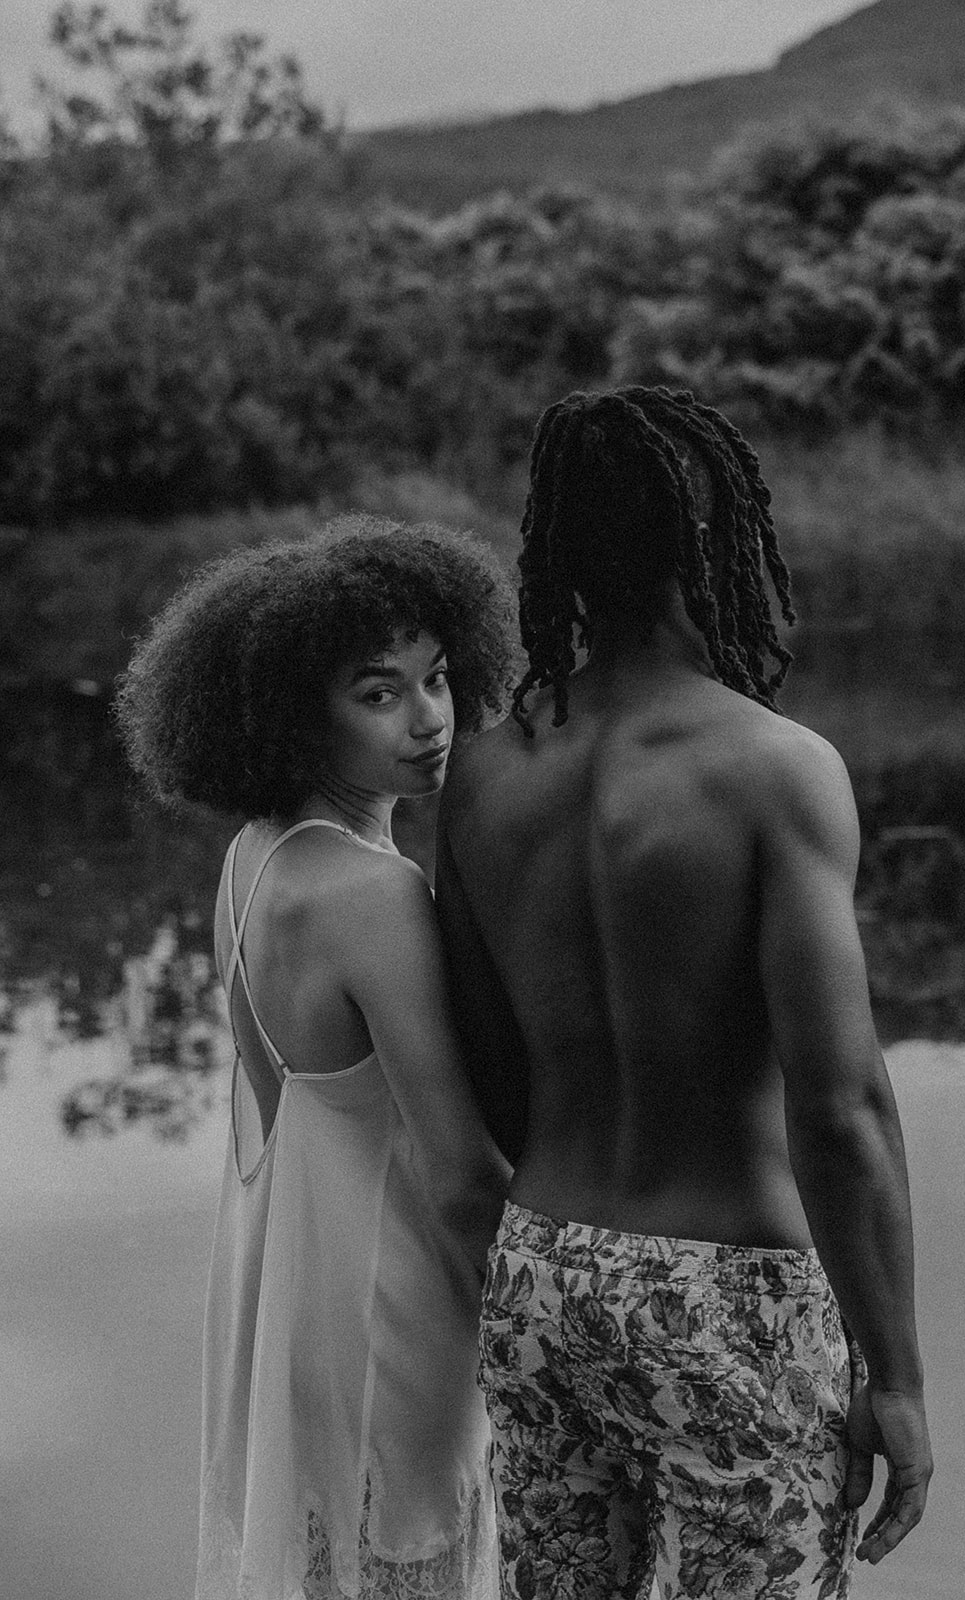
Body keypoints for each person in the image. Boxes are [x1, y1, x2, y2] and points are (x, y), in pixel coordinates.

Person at [435, 387, 933, 1600]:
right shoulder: (774, 770)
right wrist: (897, 1376)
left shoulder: (486, 764)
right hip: (729, 1295)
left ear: (554, 545)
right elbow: (840, 1107)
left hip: (543, 1274)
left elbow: (484, 1053)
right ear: (717, 540)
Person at [115, 516, 516, 1600]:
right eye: (376, 693)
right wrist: (543, 1344)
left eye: (436, 678)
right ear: (293, 715)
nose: (427, 719)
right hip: (400, 1318)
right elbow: (463, 1170)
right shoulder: (371, 892)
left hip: (296, 1303)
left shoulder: (252, 862)